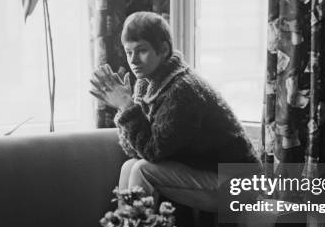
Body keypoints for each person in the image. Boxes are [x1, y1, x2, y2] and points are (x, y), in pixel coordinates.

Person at [89, 12, 260, 213]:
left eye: (141, 50)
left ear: (163, 49)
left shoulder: (183, 89)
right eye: (128, 52)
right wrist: (125, 108)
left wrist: (126, 107)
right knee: (130, 165)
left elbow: (153, 152)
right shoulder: (146, 84)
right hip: (209, 172)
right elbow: (136, 150)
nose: (133, 60)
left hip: (240, 183)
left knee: (141, 169)